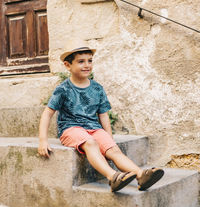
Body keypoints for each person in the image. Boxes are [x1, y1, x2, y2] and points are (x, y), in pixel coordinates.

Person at [38, 40, 164, 192]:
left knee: (113, 150)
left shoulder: (97, 88)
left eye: (90, 61)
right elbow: (47, 113)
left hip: (94, 128)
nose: (87, 65)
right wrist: (43, 141)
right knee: (90, 143)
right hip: (71, 129)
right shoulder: (63, 89)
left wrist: (108, 138)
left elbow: (103, 115)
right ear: (67, 65)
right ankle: (113, 177)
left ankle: (140, 175)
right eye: (81, 62)